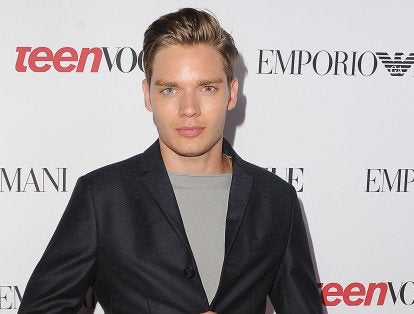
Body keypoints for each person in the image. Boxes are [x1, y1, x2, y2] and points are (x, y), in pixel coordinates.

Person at [18, 8, 322, 314]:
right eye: (169, 89)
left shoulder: (275, 199)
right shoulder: (102, 197)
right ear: (148, 95)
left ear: (231, 93)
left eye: (206, 88)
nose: (189, 109)